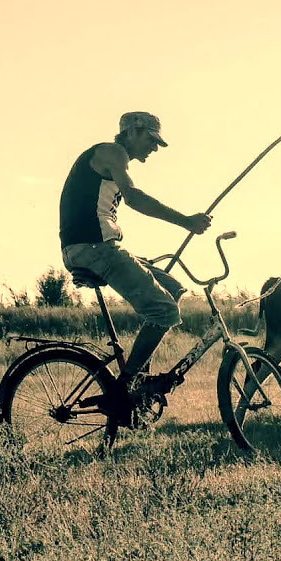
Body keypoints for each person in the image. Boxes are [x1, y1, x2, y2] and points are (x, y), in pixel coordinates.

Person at [58, 111, 212, 399]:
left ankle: (138, 383)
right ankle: (126, 388)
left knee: (172, 288)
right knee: (165, 311)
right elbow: (135, 198)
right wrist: (187, 221)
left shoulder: (114, 160)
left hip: (95, 247)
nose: (154, 148)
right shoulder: (112, 152)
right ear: (132, 131)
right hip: (94, 248)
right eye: (151, 140)